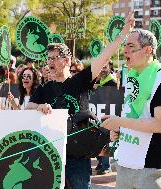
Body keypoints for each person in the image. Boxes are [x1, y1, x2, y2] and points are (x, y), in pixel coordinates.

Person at [25, 12, 135, 189]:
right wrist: (39, 107)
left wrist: (123, 34)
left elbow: (104, 57)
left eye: (54, 58)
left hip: (78, 156)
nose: (50, 62)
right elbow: (28, 107)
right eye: (48, 59)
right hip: (49, 154)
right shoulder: (43, 89)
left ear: (67, 60)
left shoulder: (81, 80)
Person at [101, 29, 161, 189]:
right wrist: (119, 130)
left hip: (149, 168)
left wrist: (121, 122)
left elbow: (158, 124)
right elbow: (133, 116)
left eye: (131, 46)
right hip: (125, 163)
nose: (125, 50)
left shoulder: (159, 78)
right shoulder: (131, 76)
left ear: (148, 50)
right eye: (124, 46)